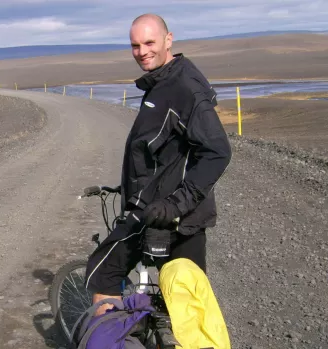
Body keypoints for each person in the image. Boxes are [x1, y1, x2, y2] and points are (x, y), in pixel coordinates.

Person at [85, 13, 232, 316]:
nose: (142, 51)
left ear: (168, 39)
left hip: (162, 213)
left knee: (103, 274)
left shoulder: (183, 87)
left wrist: (176, 204)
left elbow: (217, 151)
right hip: (175, 213)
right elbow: (164, 153)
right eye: (135, 45)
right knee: (181, 304)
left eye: (149, 42)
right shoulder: (164, 81)